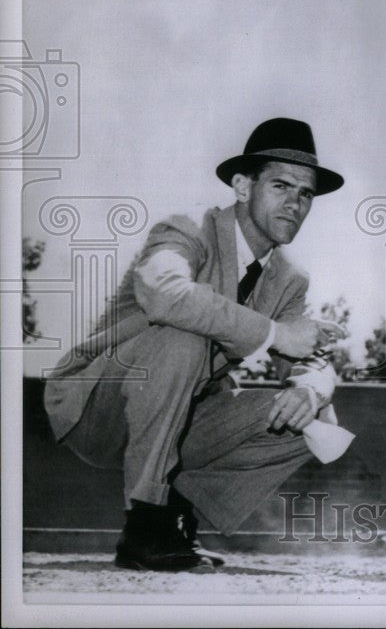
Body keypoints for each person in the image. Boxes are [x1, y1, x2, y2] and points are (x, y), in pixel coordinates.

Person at [44, 117, 345, 572]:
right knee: (184, 337)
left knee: (312, 419)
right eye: (281, 185)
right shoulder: (187, 229)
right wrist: (278, 333)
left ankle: (176, 521)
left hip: (180, 417)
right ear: (242, 187)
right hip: (96, 403)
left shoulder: (289, 279)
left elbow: (306, 358)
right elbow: (166, 294)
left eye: (306, 194)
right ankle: (144, 524)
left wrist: (310, 388)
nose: (295, 203)